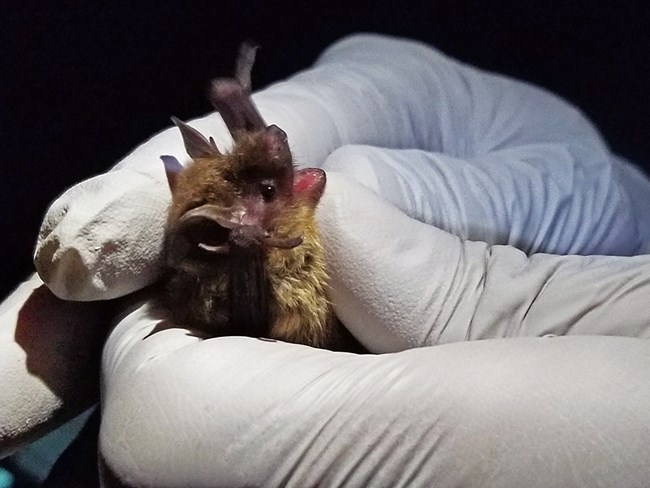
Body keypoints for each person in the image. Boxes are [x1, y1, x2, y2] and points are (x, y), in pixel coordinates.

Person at [2, 33, 650, 487]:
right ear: (220, 237)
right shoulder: (250, 275)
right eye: (265, 192)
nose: (288, 157)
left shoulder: (269, 228)